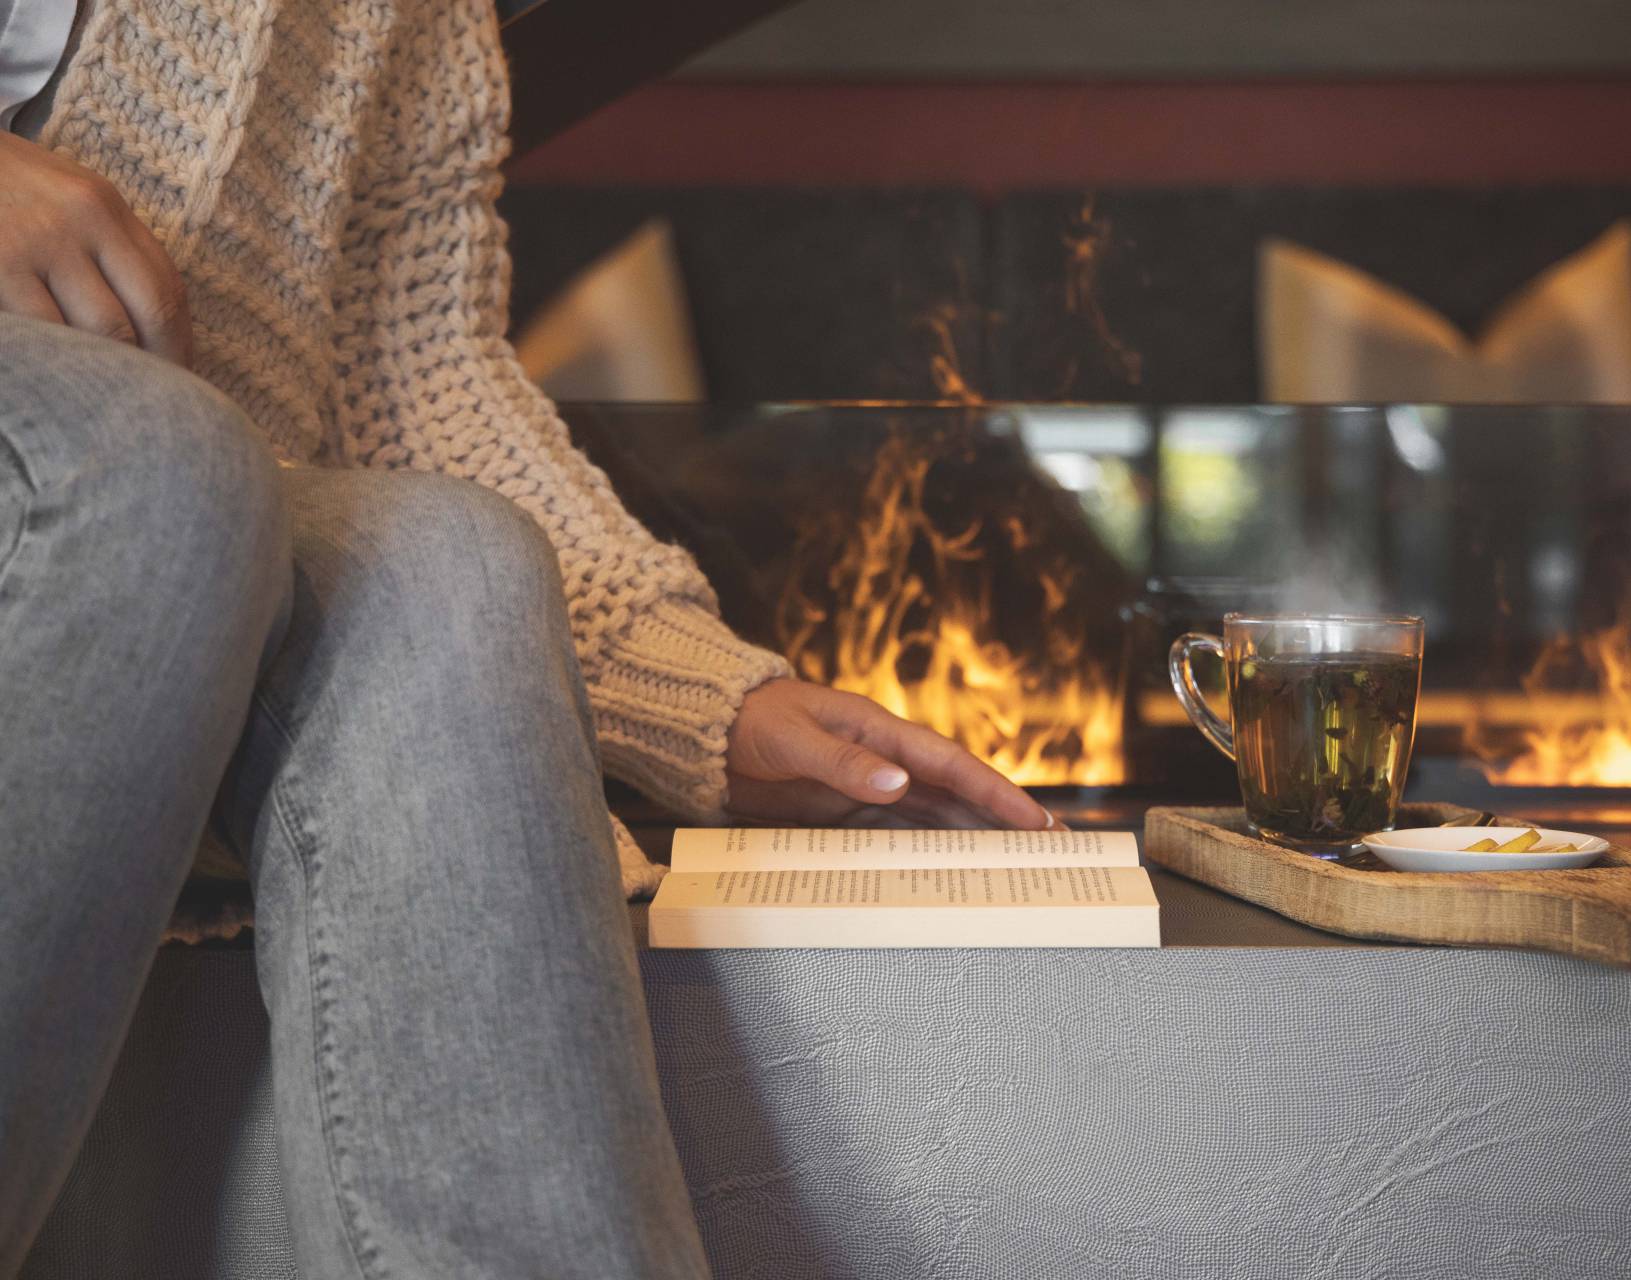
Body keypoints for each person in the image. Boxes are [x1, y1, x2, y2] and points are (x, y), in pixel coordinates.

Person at [0, 0, 1054, 1274]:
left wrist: (710, 697)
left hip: (197, 513)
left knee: (457, 565)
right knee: (157, 466)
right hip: (143, 473)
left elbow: (410, 360)